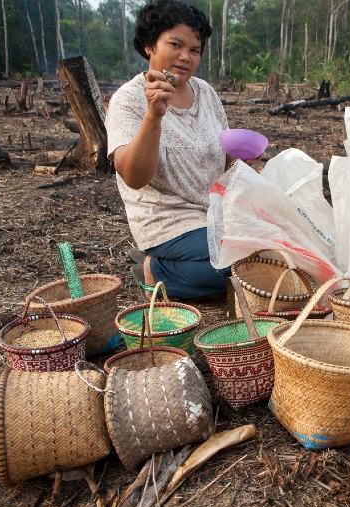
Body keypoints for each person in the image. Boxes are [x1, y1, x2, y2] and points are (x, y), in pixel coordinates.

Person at [106, 0, 257, 299]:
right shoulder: (129, 100)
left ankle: (174, 269)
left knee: (271, 250)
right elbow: (133, 176)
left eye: (195, 50)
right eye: (175, 44)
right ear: (149, 45)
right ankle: (156, 271)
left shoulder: (206, 93)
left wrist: (245, 158)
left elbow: (226, 159)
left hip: (213, 214)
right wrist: (153, 114)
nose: (185, 57)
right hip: (165, 220)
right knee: (243, 266)